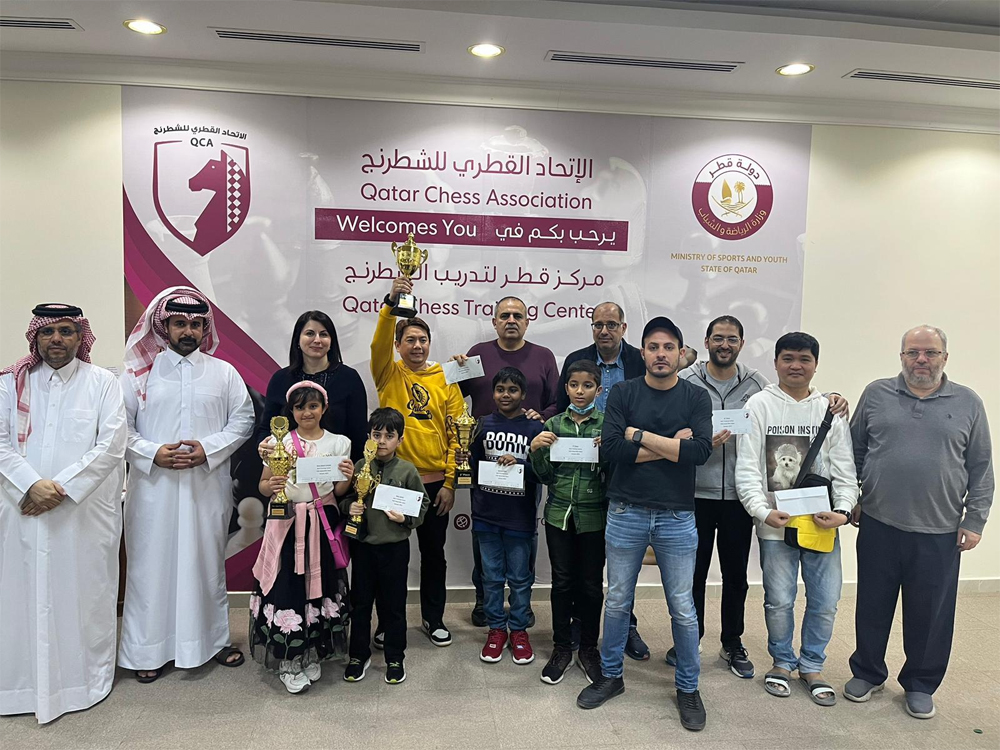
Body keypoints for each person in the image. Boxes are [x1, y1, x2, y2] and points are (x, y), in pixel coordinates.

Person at [675, 315, 848, 677]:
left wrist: (835, 398)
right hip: (696, 493)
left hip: (741, 501)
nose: (725, 344)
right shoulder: (686, 380)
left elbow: (797, 401)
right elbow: (672, 427)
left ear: (741, 343)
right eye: (718, 338)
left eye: (732, 338)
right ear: (706, 341)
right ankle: (689, 641)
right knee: (694, 574)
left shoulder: (757, 386)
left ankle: (732, 642)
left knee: (736, 575)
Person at [845, 325, 994, 720]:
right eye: (913, 353)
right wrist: (853, 498)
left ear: (945, 357)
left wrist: (975, 520)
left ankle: (921, 683)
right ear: (901, 357)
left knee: (930, 615)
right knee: (872, 604)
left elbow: (981, 468)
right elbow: (853, 451)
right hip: (878, 522)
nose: (921, 360)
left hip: (940, 530)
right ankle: (867, 671)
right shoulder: (876, 394)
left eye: (930, 353)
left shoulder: (967, 402)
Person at [577, 316, 712, 733]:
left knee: (683, 610)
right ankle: (612, 675)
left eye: (668, 347)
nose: (660, 354)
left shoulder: (695, 396)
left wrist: (642, 435)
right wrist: (671, 444)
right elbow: (613, 450)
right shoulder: (623, 391)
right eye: (653, 347)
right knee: (617, 600)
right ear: (643, 352)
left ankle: (688, 687)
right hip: (625, 511)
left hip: (677, 515)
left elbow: (700, 453)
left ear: (680, 352)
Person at [118, 287, 255, 682]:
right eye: (180, 323)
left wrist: (208, 449)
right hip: (152, 487)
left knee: (205, 563)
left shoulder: (224, 372)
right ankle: (147, 652)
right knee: (150, 567)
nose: (188, 331)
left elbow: (242, 421)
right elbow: (119, 429)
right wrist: (152, 453)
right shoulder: (136, 374)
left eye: (196, 324)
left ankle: (209, 644)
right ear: (164, 326)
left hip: (206, 485)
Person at [0, 304, 127, 724]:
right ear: (34, 337)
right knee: (19, 597)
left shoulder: (104, 383)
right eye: (49, 331)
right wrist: (31, 484)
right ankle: (19, 687)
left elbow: (111, 445)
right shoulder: (10, 384)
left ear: (81, 337)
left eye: (67, 331)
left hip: (81, 514)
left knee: (82, 596)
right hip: (23, 508)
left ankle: (81, 683)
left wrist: (61, 488)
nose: (57, 339)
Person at [735, 332, 858, 707]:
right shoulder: (758, 405)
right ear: (775, 363)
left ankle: (812, 666)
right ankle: (782, 663)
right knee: (779, 600)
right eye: (788, 358)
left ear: (815, 364)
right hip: (777, 523)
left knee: (824, 600)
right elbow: (748, 466)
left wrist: (842, 511)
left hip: (822, 525)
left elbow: (844, 468)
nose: (795, 366)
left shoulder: (829, 410)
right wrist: (761, 511)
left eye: (804, 359)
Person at [555, 301, 659, 660]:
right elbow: (560, 409)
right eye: (598, 324)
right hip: (582, 472)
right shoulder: (575, 359)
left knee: (620, 565)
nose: (604, 330)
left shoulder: (638, 359)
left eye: (611, 324)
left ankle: (624, 626)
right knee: (578, 568)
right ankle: (575, 624)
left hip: (630, 468)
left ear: (624, 328)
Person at [452, 296, 559, 627]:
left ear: (527, 322)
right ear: (494, 321)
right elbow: (452, 396)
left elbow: (557, 402)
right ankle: (486, 601)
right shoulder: (478, 353)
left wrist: (539, 416)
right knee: (483, 532)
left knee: (523, 532)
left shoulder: (543, 356)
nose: (511, 320)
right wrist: (454, 369)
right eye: (504, 315)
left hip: (525, 461)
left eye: (518, 315)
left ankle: (521, 604)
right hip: (484, 460)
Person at [373, 277, 464, 647]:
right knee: (390, 558)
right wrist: (389, 305)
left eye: (422, 340)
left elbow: (458, 430)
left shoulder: (447, 376)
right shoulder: (388, 372)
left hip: (434, 482)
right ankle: (386, 624)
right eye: (409, 340)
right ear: (397, 345)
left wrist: (450, 482)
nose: (417, 345)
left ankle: (433, 618)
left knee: (434, 556)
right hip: (395, 480)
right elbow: (377, 343)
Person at [250, 381, 355, 693]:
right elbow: (263, 485)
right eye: (299, 407)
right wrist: (272, 486)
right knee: (287, 585)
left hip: (322, 521)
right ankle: (287, 657)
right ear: (290, 411)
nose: (306, 412)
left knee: (318, 584)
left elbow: (337, 492)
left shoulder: (339, 443)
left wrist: (347, 479)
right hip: (286, 522)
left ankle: (312, 650)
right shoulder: (276, 442)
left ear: (323, 408)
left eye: (312, 406)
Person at [530, 360, 608, 685]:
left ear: (598, 390)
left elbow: (613, 477)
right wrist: (535, 451)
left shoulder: (607, 426)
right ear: (566, 388)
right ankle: (562, 647)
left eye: (587, 386)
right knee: (561, 583)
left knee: (591, 585)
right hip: (559, 515)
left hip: (594, 517)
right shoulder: (554, 424)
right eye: (574, 385)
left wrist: (610, 453)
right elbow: (546, 476)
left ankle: (589, 648)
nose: (580, 391)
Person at [341, 407, 430, 685]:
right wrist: (349, 506)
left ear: (400, 440)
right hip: (363, 547)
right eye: (376, 434)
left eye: (389, 436)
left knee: (393, 606)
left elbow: (423, 504)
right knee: (361, 604)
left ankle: (395, 656)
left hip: (394, 548)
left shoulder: (407, 471)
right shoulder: (358, 467)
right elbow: (341, 501)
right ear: (368, 436)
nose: (381, 441)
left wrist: (407, 518)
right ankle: (358, 655)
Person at [468, 367, 544, 665]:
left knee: (520, 578)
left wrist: (521, 460)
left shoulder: (535, 428)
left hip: (520, 516)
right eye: (500, 389)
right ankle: (496, 629)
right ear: (492, 392)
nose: (506, 395)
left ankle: (519, 629)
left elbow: (542, 471)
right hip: (486, 514)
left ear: (523, 395)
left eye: (513, 390)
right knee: (491, 577)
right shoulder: (480, 425)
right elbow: (470, 468)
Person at [256, 310, 368, 461]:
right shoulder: (280, 379)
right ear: (297, 339)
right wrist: (263, 445)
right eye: (309, 333)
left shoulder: (349, 378)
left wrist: (349, 478)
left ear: (332, 341)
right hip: (289, 475)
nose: (317, 340)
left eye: (323, 334)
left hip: (335, 474)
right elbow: (266, 429)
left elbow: (359, 434)